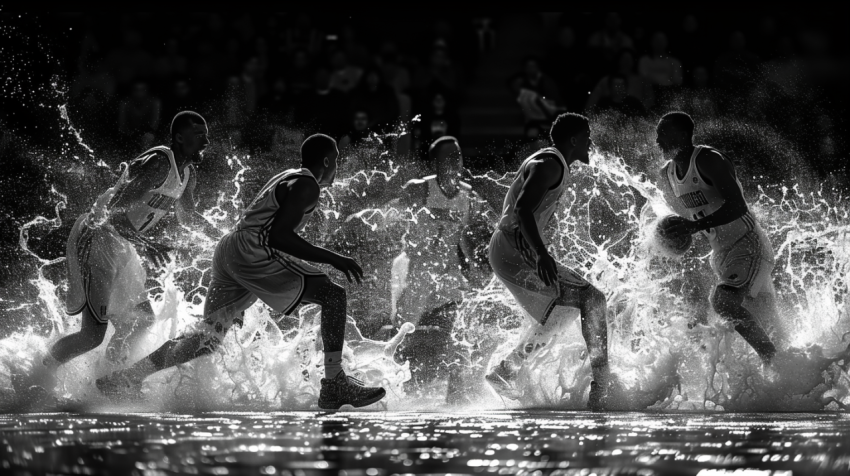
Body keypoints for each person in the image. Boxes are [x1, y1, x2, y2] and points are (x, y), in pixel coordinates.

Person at [96, 134, 387, 410]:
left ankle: (126, 377)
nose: (337, 168)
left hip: (232, 249)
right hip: (251, 250)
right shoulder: (307, 185)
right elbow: (279, 237)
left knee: (207, 338)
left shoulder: (288, 176)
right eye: (336, 160)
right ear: (326, 162)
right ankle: (334, 382)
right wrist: (333, 258)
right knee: (333, 296)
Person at [28, 112, 214, 386]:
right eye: (200, 135)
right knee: (92, 335)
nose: (206, 141)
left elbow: (188, 216)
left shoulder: (187, 172)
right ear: (179, 138)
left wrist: (227, 236)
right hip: (97, 236)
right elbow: (113, 213)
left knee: (140, 321)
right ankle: (40, 373)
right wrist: (148, 245)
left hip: (122, 243)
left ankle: (105, 382)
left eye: (206, 135)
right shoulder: (159, 164)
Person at [486, 113, 611, 410]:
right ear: (573, 140)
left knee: (564, 311)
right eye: (587, 137)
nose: (591, 142)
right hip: (514, 249)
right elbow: (523, 210)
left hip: (508, 249)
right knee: (594, 299)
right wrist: (541, 253)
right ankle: (603, 386)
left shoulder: (552, 162)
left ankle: (507, 370)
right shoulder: (550, 164)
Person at [654, 111, 778, 364]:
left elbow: (737, 206)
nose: (658, 141)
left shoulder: (709, 160)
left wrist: (694, 226)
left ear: (681, 134)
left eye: (662, 134)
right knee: (768, 322)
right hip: (720, 255)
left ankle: (772, 361)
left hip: (748, 244)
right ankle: (789, 373)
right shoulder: (666, 174)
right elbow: (681, 218)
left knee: (722, 302)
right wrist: (669, 235)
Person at [392, 137, 493, 388]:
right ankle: (401, 390)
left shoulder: (470, 197)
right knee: (406, 340)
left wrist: (485, 265)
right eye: (447, 157)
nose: (454, 161)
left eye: (457, 155)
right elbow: (391, 219)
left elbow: (479, 237)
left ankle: (456, 393)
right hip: (419, 274)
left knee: (458, 333)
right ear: (435, 162)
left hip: (449, 275)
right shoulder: (419, 189)